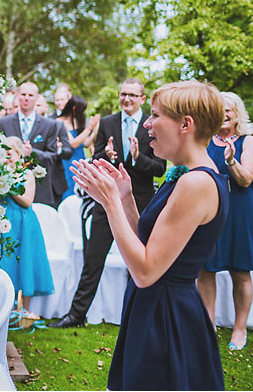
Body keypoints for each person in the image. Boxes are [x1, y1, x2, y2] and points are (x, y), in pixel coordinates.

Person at [72, 80, 228, 390]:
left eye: (155, 115)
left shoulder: (196, 183)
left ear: (185, 124)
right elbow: (148, 243)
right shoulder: (183, 173)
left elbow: (145, 271)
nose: (147, 123)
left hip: (167, 316)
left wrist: (111, 203)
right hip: (154, 306)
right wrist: (126, 197)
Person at [49, 78, 166, 329]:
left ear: (142, 99)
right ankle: (76, 315)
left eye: (133, 95)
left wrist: (137, 158)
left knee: (144, 260)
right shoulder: (108, 122)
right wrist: (107, 156)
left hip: (142, 204)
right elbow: (96, 158)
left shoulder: (151, 125)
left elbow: (159, 169)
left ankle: (144, 316)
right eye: (124, 94)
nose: (127, 99)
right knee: (93, 260)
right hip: (107, 202)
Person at [197, 91, 253, 351]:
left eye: (229, 110)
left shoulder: (248, 142)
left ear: (238, 114)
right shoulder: (202, 140)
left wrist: (231, 160)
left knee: (240, 270)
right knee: (206, 268)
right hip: (209, 211)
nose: (224, 114)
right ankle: (207, 325)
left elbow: (245, 179)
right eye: (219, 109)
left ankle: (239, 327)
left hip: (240, 212)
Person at [0, 137, 53, 317]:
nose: (7, 158)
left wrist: (10, 187)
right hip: (5, 223)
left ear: (19, 152)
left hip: (23, 223)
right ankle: (5, 307)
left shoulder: (27, 174)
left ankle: (24, 310)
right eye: (4, 155)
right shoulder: (0, 173)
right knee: (7, 262)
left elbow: (27, 201)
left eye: (10, 154)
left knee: (26, 262)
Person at [0, 82, 61, 206]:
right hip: (10, 191)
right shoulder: (4, 123)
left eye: (30, 95)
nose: (26, 98)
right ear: (17, 96)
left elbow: (53, 157)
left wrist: (33, 153)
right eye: (23, 94)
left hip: (40, 188)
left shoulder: (49, 125)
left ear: (37, 98)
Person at [56, 95, 100, 199]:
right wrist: (89, 128)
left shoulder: (77, 122)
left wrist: (95, 130)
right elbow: (73, 143)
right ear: (74, 108)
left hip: (80, 161)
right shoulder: (60, 122)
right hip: (68, 162)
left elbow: (85, 143)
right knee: (69, 191)